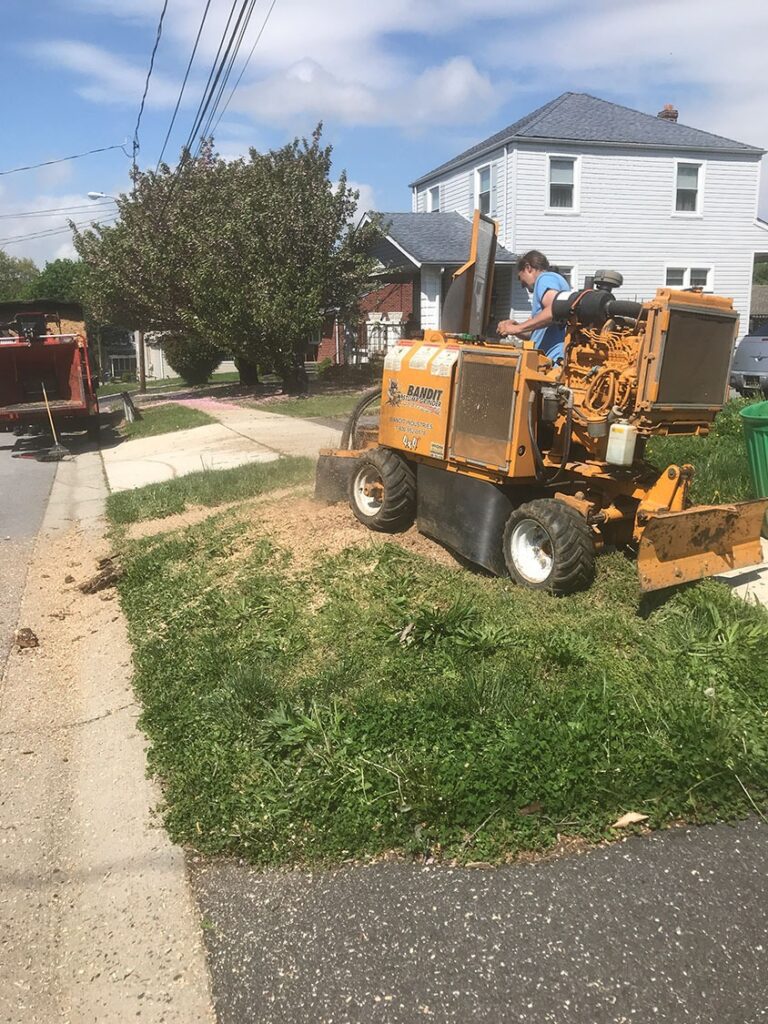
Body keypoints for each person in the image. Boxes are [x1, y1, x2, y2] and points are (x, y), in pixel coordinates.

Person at [497, 251, 569, 362]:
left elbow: (553, 310)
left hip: (551, 363)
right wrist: (516, 328)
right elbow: (537, 331)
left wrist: (518, 328)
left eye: (520, 277)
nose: (522, 284)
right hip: (548, 360)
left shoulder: (544, 278)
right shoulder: (555, 280)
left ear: (528, 268)